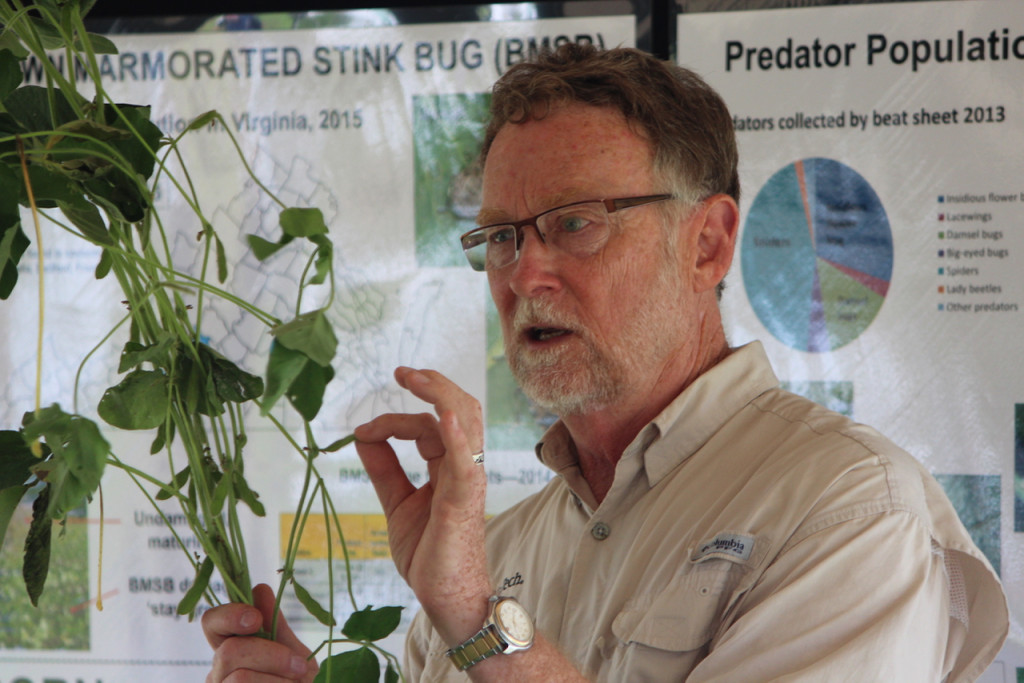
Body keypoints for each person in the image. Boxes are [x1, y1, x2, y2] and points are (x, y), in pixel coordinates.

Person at [202, 43, 1008, 682]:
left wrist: (480, 619)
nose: (524, 274)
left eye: (576, 222)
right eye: (502, 237)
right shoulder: (501, 550)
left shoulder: (849, 508)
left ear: (708, 243)